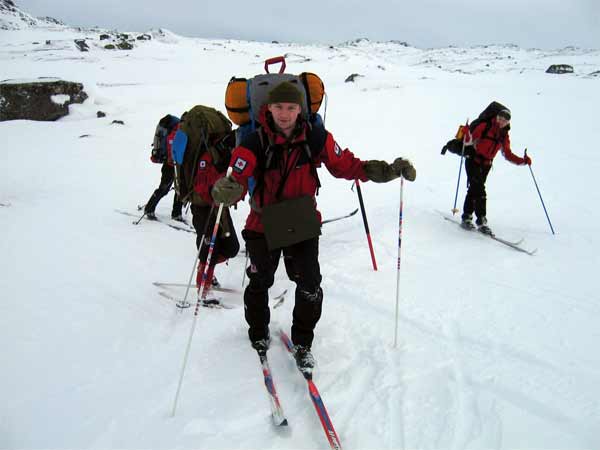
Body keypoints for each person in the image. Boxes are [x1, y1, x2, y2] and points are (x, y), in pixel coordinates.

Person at [210, 81, 416, 376]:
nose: (284, 114)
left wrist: (389, 170)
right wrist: (227, 189)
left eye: (291, 107)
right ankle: (258, 332)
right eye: (278, 107)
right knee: (260, 281)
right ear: (268, 108)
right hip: (263, 223)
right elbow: (238, 177)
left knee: (310, 285)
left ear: (300, 109)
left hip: (301, 221)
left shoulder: (316, 137)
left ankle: (303, 343)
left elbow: (348, 165)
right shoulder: (254, 142)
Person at [461, 107, 531, 235]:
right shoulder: (484, 126)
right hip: (473, 160)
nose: (501, 121)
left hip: (486, 165)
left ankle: (466, 217)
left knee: (474, 189)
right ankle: (481, 220)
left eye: (505, 120)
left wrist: (523, 161)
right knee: (479, 190)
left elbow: (507, 154)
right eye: (500, 118)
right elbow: (468, 142)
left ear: (508, 122)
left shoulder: (504, 136)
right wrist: (466, 133)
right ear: (496, 117)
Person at [189, 131, 241, 305]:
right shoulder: (208, 156)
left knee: (232, 248)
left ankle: (206, 270)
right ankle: (204, 287)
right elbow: (200, 185)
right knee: (209, 248)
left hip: (220, 208)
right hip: (203, 207)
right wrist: (215, 189)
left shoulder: (231, 158)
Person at [144, 122, 184, 221]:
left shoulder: (184, 132)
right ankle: (149, 209)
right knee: (164, 188)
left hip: (179, 166)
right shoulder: (176, 132)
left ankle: (177, 213)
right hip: (170, 166)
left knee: (181, 190)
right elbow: (171, 146)